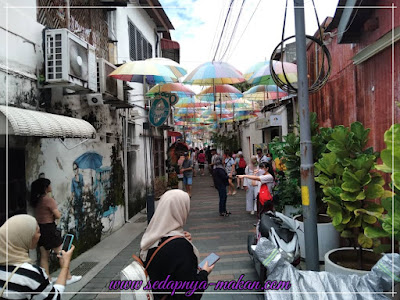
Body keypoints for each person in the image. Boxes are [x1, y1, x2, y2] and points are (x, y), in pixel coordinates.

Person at [140, 190, 214, 299]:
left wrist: (180, 238)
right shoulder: (181, 247)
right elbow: (190, 293)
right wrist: (204, 273)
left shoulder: (152, 236)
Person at [0, 214, 75, 299]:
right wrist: (65, 265)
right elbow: (55, 297)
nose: (39, 235)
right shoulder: (30, 274)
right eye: (37, 231)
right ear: (25, 237)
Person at [30, 178, 81, 284]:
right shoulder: (48, 200)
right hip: (50, 228)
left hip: (40, 228)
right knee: (62, 253)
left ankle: (47, 278)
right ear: (45, 188)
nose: (51, 187)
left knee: (44, 255)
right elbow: (58, 215)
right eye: (49, 185)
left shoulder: (37, 200)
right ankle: (67, 277)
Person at [71, 162, 84, 238]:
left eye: (76, 169)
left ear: (78, 169)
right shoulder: (73, 180)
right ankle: (78, 236)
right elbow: (72, 191)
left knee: (82, 216)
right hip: (76, 200)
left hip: (81, 199)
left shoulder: (81, 177)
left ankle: (82, 234)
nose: (75, 170)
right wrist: (72, 204)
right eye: (74, 169)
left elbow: (83, 186)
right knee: (77, 217)